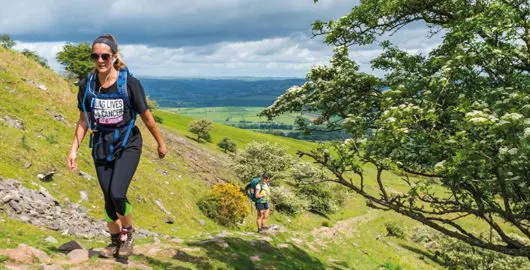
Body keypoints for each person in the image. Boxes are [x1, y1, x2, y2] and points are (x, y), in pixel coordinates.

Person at [67, 34, 167, 257]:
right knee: (108, 198)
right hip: (101, 145)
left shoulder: (129, 84)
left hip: (128, 143)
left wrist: (160, 143)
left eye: (105, 56)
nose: (100, 60)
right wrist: (73, 149)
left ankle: (128, 234)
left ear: (114, 56)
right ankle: (114, 242)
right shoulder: (87, 85)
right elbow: (84, 120)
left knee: (117, 192)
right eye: (95, 56)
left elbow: (147, 117)